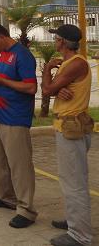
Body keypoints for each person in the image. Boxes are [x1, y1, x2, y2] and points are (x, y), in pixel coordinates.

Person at [0, 21, 38, 229]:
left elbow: (30, 87)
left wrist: (3, 82)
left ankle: (26, 210)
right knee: (1, 161)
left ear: (1, 36)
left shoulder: (22, 55)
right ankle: (7, 197)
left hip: (15, 118)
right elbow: (1, 78)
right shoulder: (1, 54)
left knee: (19, 165)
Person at [41, 24, 93, 246]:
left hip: (71, 128)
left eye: (56, 38)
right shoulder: (69, 64)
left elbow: (46, 90)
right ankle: (75, 221)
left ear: (62, 42)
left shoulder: (76, 64)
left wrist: (47, 70)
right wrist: (57, 88)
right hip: (68, 127)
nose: (55, 41)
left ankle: (79, 235)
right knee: (72, 180)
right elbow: (54, 89)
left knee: (74, 183)